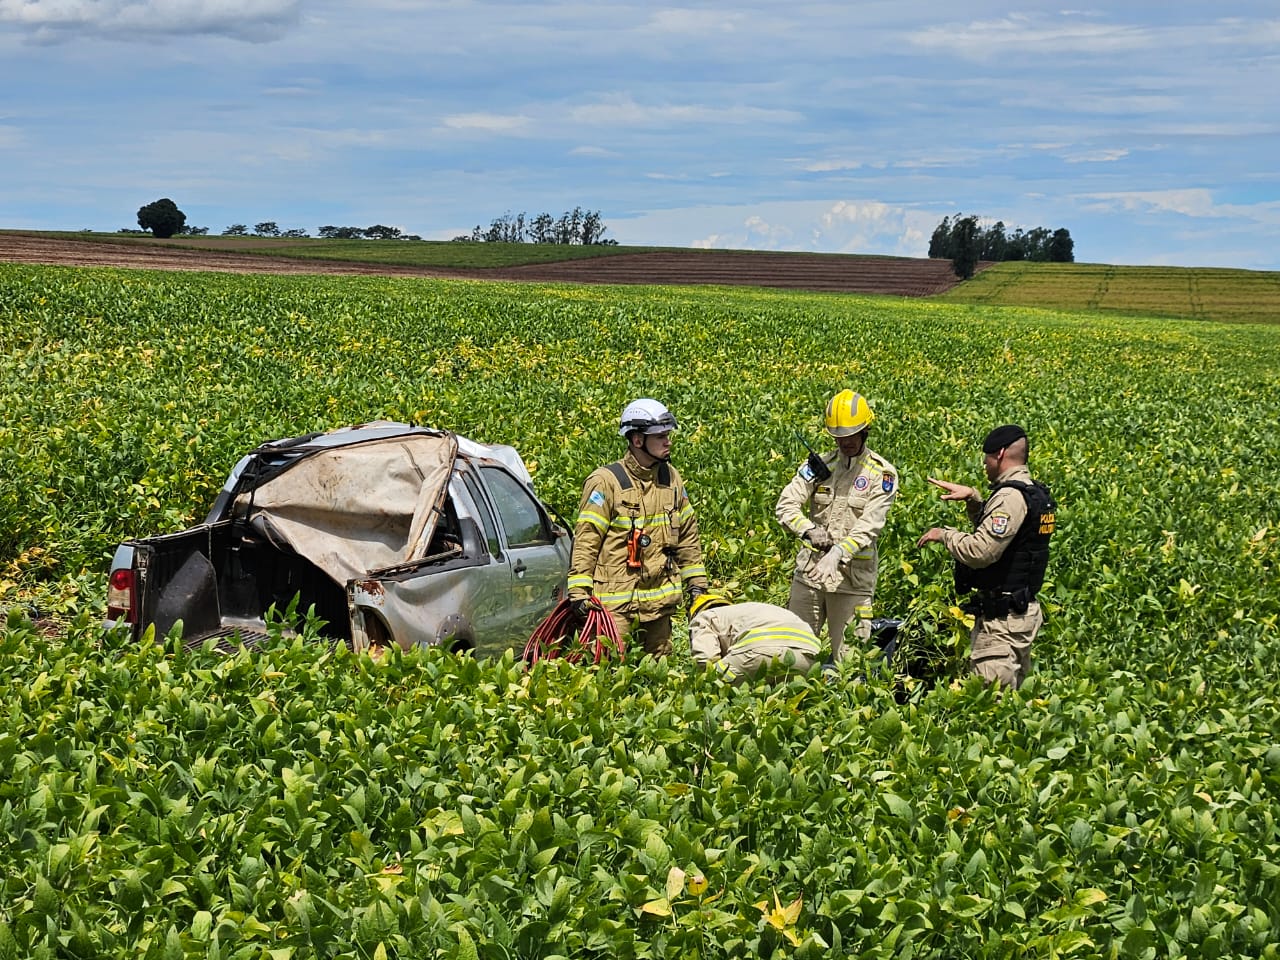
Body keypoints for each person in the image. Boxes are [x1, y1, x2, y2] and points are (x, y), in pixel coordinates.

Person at [916, 424, 1056, 689]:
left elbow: (982, 551)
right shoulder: (1033, 492)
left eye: (986, 459)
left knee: (990, 705)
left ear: (1000, 454)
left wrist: (944, 535)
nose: (984, 465)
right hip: (1020, 613)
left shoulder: (1010, 497)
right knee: (1011, 702)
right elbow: (1010, 539)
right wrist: (975, 502)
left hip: (1002, 623)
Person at [567, 398, 708, 657]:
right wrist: (578, 591)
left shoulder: (670, 478)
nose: (668, 441)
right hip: (614, 607)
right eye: (660, 436)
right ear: (637, 440)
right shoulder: (606, 482)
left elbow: (687, 535)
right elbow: (587, 540)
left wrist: (697, 586)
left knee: (658, 678)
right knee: (607, 672)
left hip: (659, 606)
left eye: (668, 435)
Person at [775, 389, 898, 663]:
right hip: (809, 576)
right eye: (839, 437)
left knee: (850, 661)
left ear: (866, 430)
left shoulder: (882, 474)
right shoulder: (821, 466)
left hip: (853, 581)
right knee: (793, 655)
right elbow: (785, 505)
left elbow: (870, 525)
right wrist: (808, 530)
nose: (845, 442)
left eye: (852, 435)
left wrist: (838, 553)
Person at [687, 593, 821, 684]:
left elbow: (707, 659)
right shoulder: (747, 610)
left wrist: (700, 679)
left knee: (713, 684)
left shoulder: (706, 616)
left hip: (759, 649)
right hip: (808, 655)